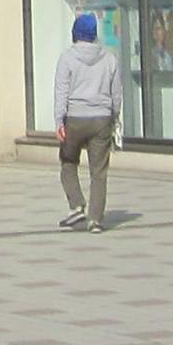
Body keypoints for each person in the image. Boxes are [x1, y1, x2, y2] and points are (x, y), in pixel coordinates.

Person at [53, 13, 121, 233]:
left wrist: (59, 120)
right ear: (94, 34)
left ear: (75, 33)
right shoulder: (109, 58)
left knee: (68, 161)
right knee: (99, 172)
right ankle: (95, 220)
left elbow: (61, 91)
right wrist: (115, 117)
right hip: (101, 119)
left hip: (74, 118)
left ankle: (77, 204)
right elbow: (116, 93)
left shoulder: (67, 58)